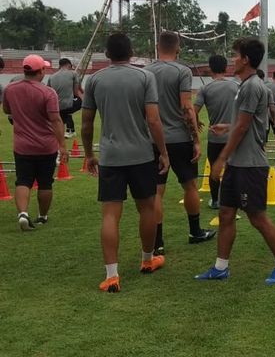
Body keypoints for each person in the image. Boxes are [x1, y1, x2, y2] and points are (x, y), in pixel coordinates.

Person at [195, 37, 275, 284]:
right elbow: (242, 123)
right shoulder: (245, 84)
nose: (232, 59)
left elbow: (243, 128)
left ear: (246, 59)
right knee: (226, 213)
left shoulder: (251, 86)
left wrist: (220, 160)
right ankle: (220, 267)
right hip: (239, 164)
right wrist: (226, 126)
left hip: (250, 165)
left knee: (257, 217)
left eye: (235, 54)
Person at [81, 33, 169, 293]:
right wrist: (163, 152)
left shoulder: (95, 80)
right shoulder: (144, 77)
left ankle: (111, 275)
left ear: (107, 54)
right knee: (147, 208)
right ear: (131, 52)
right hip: (141, 155)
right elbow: (153, 120)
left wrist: (88, 154)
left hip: (110, 157)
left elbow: (86, 123)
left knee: (110, 214)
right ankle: (147, 260)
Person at [149, 31, 215, 255]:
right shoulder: (182, 71)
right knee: (189, 186)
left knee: (156, 192)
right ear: (178, 49)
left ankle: (157, 243)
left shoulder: (146, 72)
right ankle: (195, 231)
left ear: (158, 47)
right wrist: (196, 138)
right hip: (179, 139)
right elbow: (187, 106)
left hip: (153, 140)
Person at [3, 55, 68, 231]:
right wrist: (62, 145)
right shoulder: (47, 93)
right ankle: (42, 216)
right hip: (46, 146)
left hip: (22, 145)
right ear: (40, 71)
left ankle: (23, 213)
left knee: (23, 180)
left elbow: (7, 110)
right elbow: (56, 120)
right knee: (45, 182)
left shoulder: (10, 89)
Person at [194, 55, 240, 210]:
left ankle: (215, 200)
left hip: (214, 136)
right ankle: (233, 199)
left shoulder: (205, 89)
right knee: (232, 168)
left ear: (210, 69)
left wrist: (197, 121)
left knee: (215, 169)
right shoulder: (236, 86)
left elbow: (193, 112)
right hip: (233, 135)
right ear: (226, 68)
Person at [47, 58, 83, 138]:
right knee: (77, 102)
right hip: (68, 106)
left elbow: (48, 92)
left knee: (64, 115)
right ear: (69, 65)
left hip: (56, 106)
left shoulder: (51, 77)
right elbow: (76, 92)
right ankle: (70, 130)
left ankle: (69, 130)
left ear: (59, 66)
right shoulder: (73, 74)